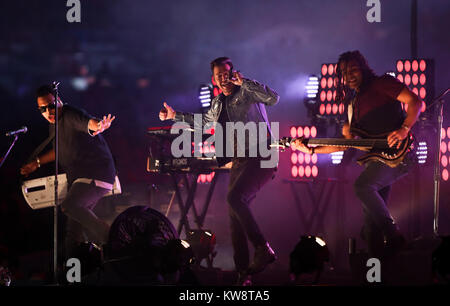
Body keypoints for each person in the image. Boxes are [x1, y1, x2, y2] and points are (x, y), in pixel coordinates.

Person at [159, 57, 279, 285]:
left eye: (226, 73)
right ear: (213, 80)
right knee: (234, 215)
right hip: (240, 160)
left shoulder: (248, 91)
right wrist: (175, 116)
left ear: (234, 72)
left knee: (235, 198)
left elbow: (273, 98)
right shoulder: (218, 102)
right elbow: (204, 123)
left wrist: (246, 83)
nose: (223, 79)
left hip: (262, 155)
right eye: (218, 76)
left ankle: (263, 248)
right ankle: (244, 274)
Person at [292, 51, 422, 258]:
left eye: (353, 69)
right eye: (344, 72)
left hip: (400, 154)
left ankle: (394, 235)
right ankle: (377, 276)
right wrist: (311, 149)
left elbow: (415, 101)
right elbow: (346, 144)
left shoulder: (383, 83)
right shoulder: (352, 104)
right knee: (371, 226)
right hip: (376, 161)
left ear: (363, 67)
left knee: (363, 186)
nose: (349, 75)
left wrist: (404, 128)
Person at [20, 85, 117, 260]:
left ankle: (112, 238)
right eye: (43, 109)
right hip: (80, 179)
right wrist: (37, 163)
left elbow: (88, 122)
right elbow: (60, 150)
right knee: (72, 235)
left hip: (95, 174)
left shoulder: (71, 114)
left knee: (70, 206)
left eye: (51, 106)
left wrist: (98, 125)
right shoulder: (54, 125)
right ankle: (73, 277)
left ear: (59, 101)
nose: (48, 111)